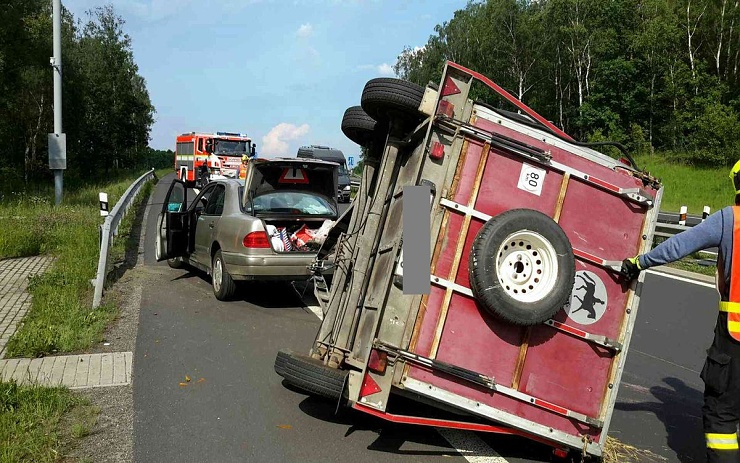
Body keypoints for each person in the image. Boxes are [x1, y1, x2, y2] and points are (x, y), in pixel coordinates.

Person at [621, 159, 740, 463]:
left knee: (722, 423)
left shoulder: (731, 220)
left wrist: (638, 263)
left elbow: (678, 247)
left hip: (734, 340)